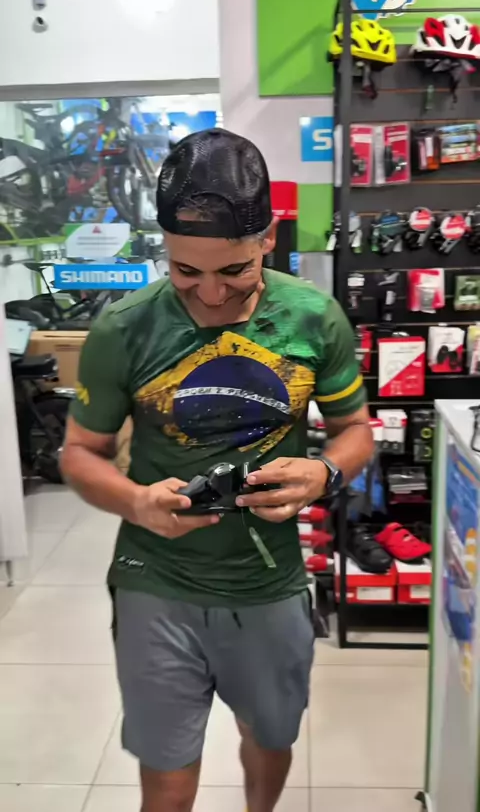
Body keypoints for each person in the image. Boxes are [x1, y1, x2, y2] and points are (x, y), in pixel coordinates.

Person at [61, 128, 374, 812]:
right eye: (184, 271)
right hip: (155, 578)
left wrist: (323, 475)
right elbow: (79, 453)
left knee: (270, 739)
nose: (208, 293)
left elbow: (355, 431)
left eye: (232, 271)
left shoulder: (314, 318)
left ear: (268, 239)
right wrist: (137, 502)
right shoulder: (124, 328)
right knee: (169, 783)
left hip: (269, 580)